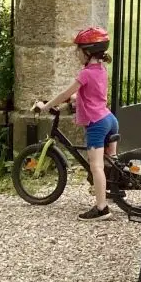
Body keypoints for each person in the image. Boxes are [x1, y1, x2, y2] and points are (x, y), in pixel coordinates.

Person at [35, 27, 119, 221]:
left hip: (96, 124)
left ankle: (101, 208)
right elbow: (89, 94)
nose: (76, 54)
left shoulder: (85, 74)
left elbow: (66, 93)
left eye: (79, 50)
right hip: (109, 119)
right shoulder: (100, 70)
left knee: (95, 166)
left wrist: (47, 106)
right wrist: (75, 99)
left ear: (88, 52)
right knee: (110, 164)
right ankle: (112, 192)